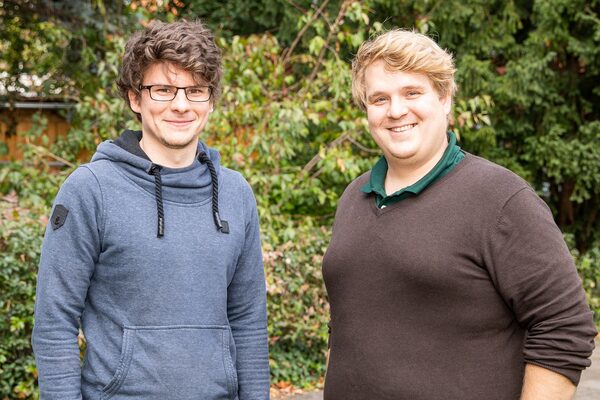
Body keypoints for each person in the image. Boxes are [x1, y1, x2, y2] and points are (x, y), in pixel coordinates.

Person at [322, 29, 597, 400]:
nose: (396, 110)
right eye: (379, 98)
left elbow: (564, 327)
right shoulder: (354, 197)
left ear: (445, 97)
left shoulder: (501, 199)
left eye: (412, 93)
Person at [32, 20, 269, 400]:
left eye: (195, 91)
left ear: (210, 101)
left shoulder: (235, 193)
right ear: (134, 98)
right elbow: (54, 321)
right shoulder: (90, 189)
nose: (180, 104)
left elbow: (249, 321)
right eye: (163, 90)